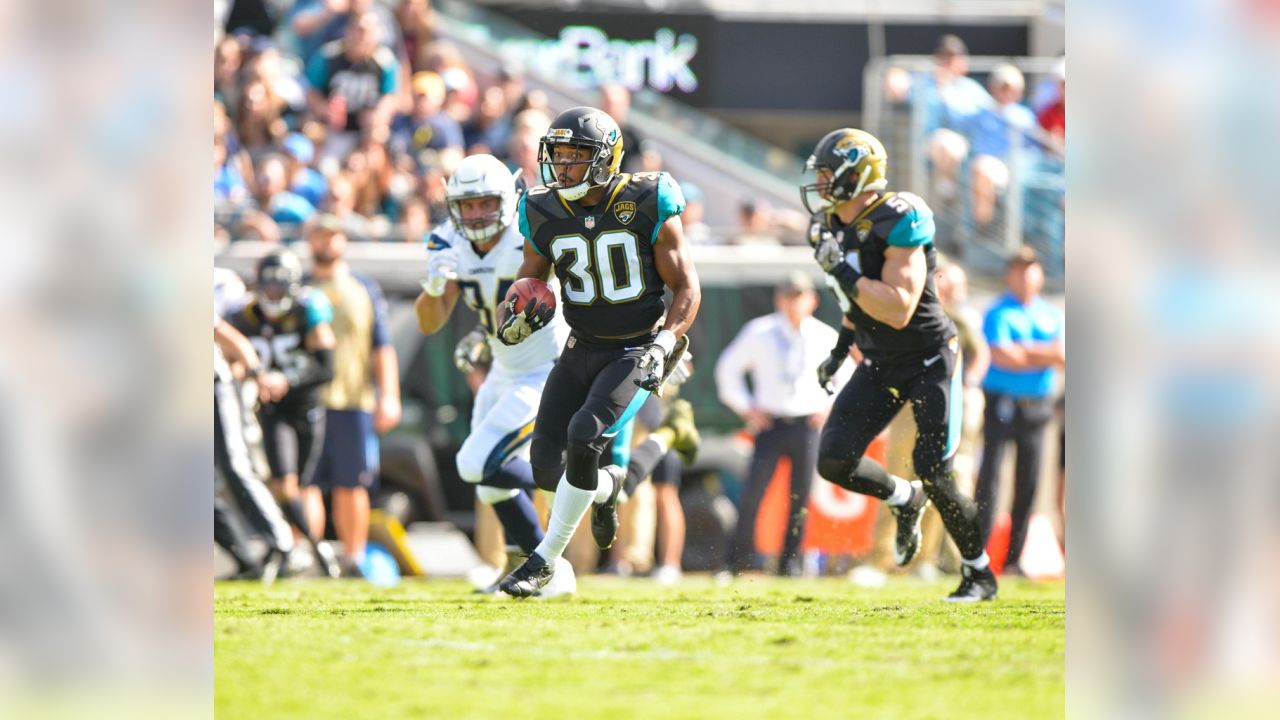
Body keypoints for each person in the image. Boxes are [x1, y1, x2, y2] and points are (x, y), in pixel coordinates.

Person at [493, 106, 701, 597]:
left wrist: (666, 343)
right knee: (545, 463)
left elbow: (686, 287)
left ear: (606, 160)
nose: (562, 168)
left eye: (575, 157)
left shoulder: (646, 199)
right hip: (580, 346)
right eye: (557, 157)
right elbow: (530, 281)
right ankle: (607, 492)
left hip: (636, 347)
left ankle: (542, 561)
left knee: (584, 433)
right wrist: (516, 315)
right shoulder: (542, 209)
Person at [800, 127, 997, 601]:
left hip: (928, 358)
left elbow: (899, 306)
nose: (821, 185)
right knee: (834, 459)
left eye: (829, 176)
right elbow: (855, 301)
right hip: (881, 360)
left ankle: (979, 572)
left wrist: (841, 268)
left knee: (935, 468)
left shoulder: (898, 216)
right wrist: (840, 347)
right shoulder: (829, 225)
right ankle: (903, 499)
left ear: (857, 176)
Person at [412, 153, 575, 597]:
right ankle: (550, 573)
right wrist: (433, 287)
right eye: (468, 205)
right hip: (504, 370)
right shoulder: (447, 241)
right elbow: (429, 322)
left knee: (474, 462)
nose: (478, 213)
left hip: (547, 369)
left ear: (507, 199)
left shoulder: (530, 231)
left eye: (486, 202)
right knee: (489, 488)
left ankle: (587, 486)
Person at [715, 272, 848, 576]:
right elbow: (728, 370)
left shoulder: (824, 335)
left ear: (812, 301)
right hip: (771, 423)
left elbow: (846, 376)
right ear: (779, 299)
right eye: (789, 295)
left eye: (800, 296)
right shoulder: (760, 332)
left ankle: (791, 563)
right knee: (753, 494)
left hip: (807, 424)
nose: (794, 303)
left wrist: (828, 407)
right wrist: (747, 408)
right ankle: (736, 561)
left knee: (801, 497)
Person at [227, 250, 343, 578]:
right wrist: (252, 376)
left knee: (305, 486)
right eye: (269, 285)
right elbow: (233, 358)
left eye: (280, 285)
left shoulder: (309, 310)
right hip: (272, 408)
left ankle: (300, 549)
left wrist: (287, 379)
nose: (274, 293)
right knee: (285, 484)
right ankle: (314, 548)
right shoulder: (244, 316)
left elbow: (326, 368)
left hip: (306, 406)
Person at [304, 215, 402, 577]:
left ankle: (353, 558)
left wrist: (389, 395)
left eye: (333, 236)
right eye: (320, 236)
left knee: (352, 483)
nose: (327, 243)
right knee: (305, 482)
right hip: (307, 401)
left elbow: (382, 347)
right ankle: (308, 556)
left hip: (354, 399)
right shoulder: (298, 287)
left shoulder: (363, 288)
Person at [973, 246, 1065, 575]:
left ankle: (1013, 560)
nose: (1025, 276)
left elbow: (1064, 355)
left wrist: (1025, 352)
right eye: (1018, 269)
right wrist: (1044, 354)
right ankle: (978, 557)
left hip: (1037, 407)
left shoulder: (1052, 314)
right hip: (1001, 403)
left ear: (1039, 275)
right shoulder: (998, 312)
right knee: (991, 479)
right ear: (1008, 275)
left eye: (1030, 269)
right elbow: (1002, 356)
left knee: (1028, 483)